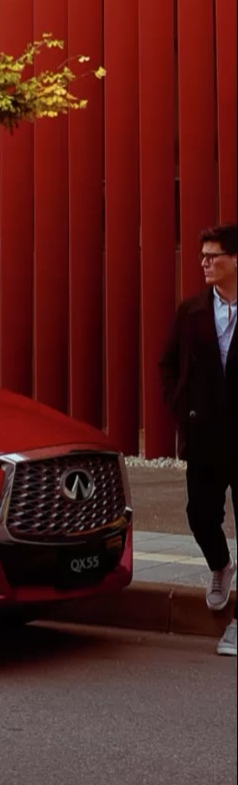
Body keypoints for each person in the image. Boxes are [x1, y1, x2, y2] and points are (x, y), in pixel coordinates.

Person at [159, 223, 237, 656]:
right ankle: (221, 567)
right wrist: (178, 406)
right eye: (203, 256)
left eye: (214, 255)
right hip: (205, 434)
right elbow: (167, 363)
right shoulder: (190, 310)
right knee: (200, 516)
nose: (205, 263)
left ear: (236, 260)